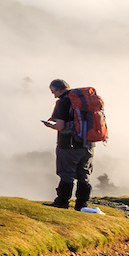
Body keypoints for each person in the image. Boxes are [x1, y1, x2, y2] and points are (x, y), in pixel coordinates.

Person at [40, 78, 91, 209]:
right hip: (88, 144)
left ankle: (62, 202)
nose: (54, 95)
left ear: (60, 89)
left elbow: (60, 126)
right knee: (83, 174)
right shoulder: (83, 100)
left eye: (54, 91)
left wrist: (50, 125)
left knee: (66, 174)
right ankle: (82, 204)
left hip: (69, 144)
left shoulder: (62, 102)